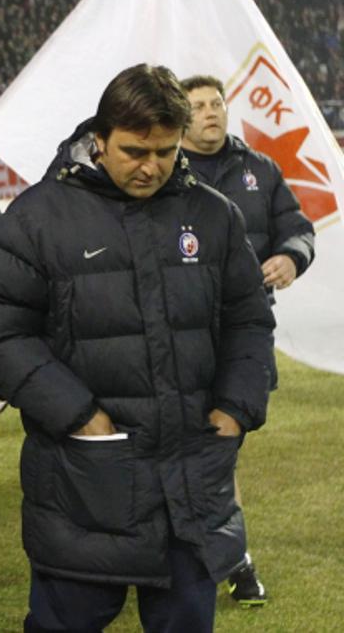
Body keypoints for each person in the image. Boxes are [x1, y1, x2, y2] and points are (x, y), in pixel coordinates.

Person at [0, 64, 276, 633]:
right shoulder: (40, 216)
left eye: (164, 151)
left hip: (192, 477)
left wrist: (235, 408)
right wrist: (80, 415)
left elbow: (249, 322)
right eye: (135, 150)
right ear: (100, 139)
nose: (150, 166)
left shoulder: (214, 215)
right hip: (84, 479)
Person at [180, 73, 315, 607]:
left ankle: (232, 559)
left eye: (217, 102)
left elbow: (297, 227)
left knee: (220, 448)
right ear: (181, 115)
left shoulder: (261, 169)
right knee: (197, 451)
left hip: (242, 334)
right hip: (179, 330)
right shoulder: (165, 168)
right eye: (199, 105)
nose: (211, 111)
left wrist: (292, 256)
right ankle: (218, 559)